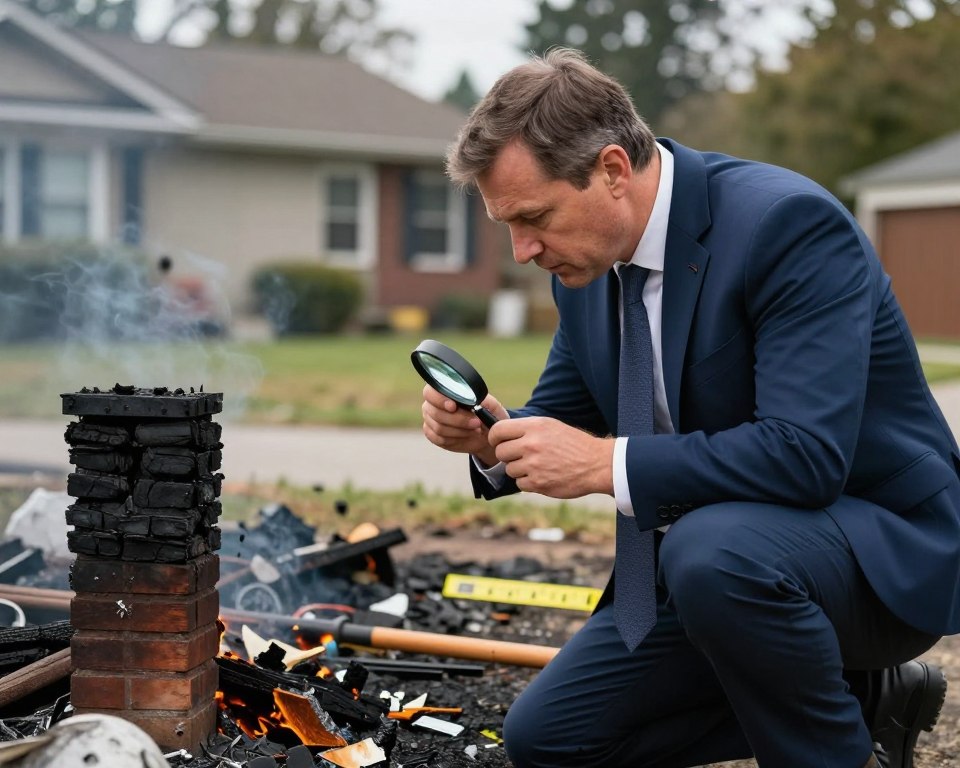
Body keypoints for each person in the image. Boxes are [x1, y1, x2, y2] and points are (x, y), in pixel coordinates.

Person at [419, 48, 958, 768]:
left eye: (534, 217)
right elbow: (556, 419)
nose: (521, 251)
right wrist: (486, 435)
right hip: (720, 571)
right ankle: (865, 703)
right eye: (506, 225)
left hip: (873, 552)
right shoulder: (584, 267)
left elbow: (806, 456)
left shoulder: (788, 227)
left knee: (713, 554)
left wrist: (606, 463)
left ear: (612, 170)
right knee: (548, 739)